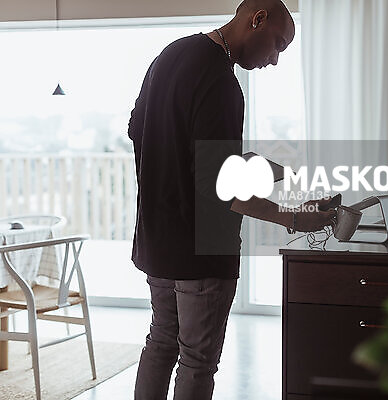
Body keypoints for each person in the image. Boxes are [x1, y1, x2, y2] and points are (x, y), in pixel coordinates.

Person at [127, 0, 336, 399]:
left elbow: (145, 133)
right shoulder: (222, 82)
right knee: (197, 361)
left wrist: (277, 172)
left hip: (158, 240)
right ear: (258, 19)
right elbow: (221, 187)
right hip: (202, 254)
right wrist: (295, 218)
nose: (274, 60)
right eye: (278, 44)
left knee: (161, 342)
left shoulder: (169, 57)